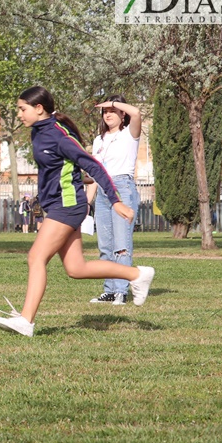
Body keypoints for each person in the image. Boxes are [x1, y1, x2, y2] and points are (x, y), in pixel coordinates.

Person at [0, 86, 155, 338]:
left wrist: (115, 201)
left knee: (36, 258)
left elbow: (94, 165)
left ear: (39, 108)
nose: (19, 114)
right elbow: (64, 170)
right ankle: (137, 274)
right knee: (76, 268)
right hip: (58, 204)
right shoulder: (38, 132)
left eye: (22, 109)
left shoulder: (59, 136)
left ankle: (26, 320)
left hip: (67, 206)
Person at [88, 95, 142, 305]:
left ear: (122, 114)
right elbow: (95, 173)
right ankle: (109, 290)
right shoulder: (98, 140)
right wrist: (87, 201)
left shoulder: (130, 134)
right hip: (103, 190)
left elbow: (137, 113)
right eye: (105, 111)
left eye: (112, 110)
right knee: (105, 245)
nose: (108, 114)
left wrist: (112, 103)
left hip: (122, 188)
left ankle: (121, 290)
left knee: (121, 245)